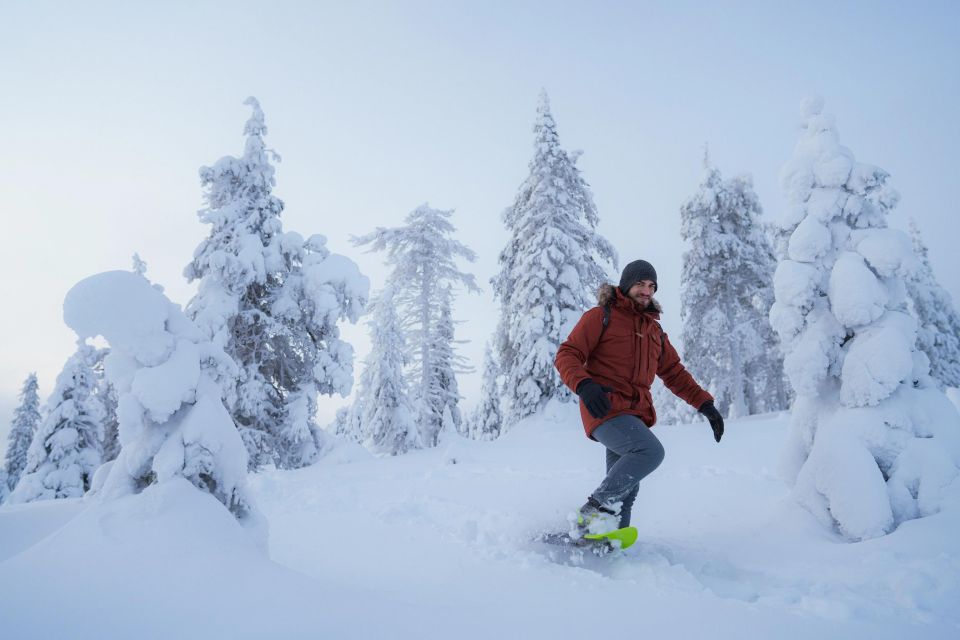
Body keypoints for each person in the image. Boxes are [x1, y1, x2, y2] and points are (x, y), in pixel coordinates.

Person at [554, 259, 724, 535]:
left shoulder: (654, 331)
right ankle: (593, 512)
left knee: (627, 486)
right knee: (648, 452)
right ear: (626, 285)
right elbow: (567, 353)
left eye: (651, 286)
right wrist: (585, 385)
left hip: (633, 413)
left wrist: (705, 405)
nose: (646, 291)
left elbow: (674, 372)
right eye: (640, 284)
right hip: (604, 406)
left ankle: (603, 540)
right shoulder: (601, 317)